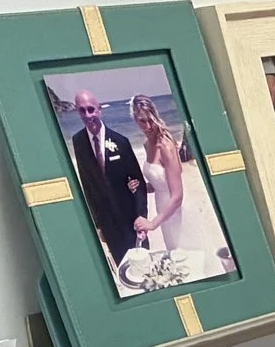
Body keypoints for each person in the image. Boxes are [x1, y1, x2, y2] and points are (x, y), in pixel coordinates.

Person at [132, 93, 230, 272]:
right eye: (142, 121)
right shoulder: (147, 144)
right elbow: (160, 182)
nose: (148, 126)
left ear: (155, 116)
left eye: (150, 120)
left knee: (194, 261)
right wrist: (142, 187)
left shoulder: (165, 146)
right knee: (178, 260)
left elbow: (177, 196)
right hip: (163, 209)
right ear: (135, 121)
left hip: (178, 210)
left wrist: (153, 223)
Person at [58, 87, 148, 268]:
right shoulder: (78, 142)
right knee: (122, 267)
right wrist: (97, 224)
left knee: (143, 265)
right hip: (108, 223)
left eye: (91, 109)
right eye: (82, 110)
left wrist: (141, 217)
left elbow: (138, 183)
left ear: (99, 110)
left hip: (130, 218)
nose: (88, 115)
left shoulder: (121, 142)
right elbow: (87, 185)